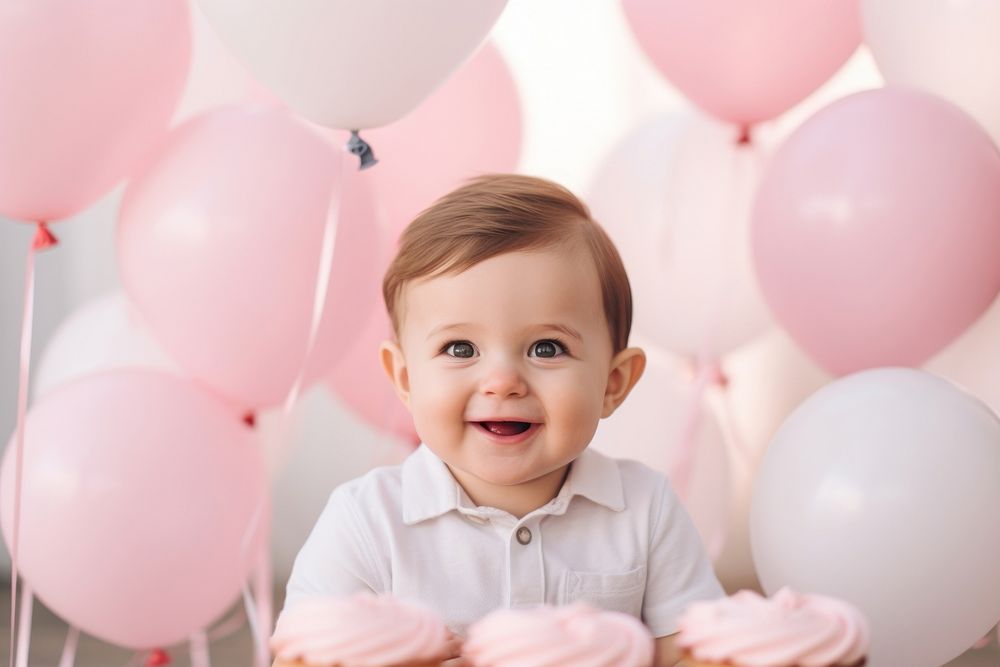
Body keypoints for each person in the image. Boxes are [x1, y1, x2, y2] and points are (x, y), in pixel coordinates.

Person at [277, 174, 724, 666]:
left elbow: (691, 653)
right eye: (460, 348)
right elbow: (298, 657)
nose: (503, 380)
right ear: (405, 378)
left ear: (612, 383)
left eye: (546, 348)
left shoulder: (645, 510)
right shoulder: (367, 521)